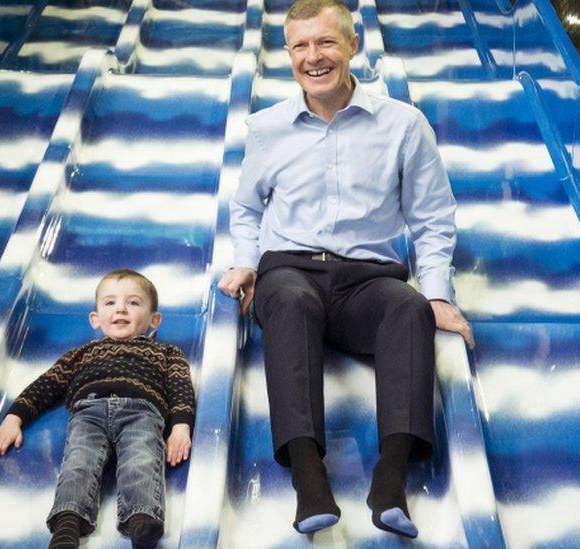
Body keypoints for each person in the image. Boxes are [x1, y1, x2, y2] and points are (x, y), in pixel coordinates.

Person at [218, 0, 475, 539]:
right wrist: (245, 262)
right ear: (289, 54)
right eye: (300, 46)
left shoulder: (404, 125)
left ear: (352, 45)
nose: (314, 57)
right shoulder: (267, 129)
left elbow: (431, 219)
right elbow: (245, 208)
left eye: (326, 42)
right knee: (286, 299)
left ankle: (391, 478)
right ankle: (309, 478)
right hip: (290, 270)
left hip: (369, 282)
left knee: (409, 309)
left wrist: (438, 295)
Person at [0, 269, 196, 549]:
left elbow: (180, 387)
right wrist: (13, 419)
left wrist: (180, 426)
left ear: (154, 319)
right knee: (78, 461)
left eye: (133, 303)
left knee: (143, 458)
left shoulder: (167, 353)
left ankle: (142, 518)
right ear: (95, 318)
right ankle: (68, 524)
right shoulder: (81, 354)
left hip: (142, 412)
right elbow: (47, 384)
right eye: (110, 302)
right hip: (89, 412)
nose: (121, 308)